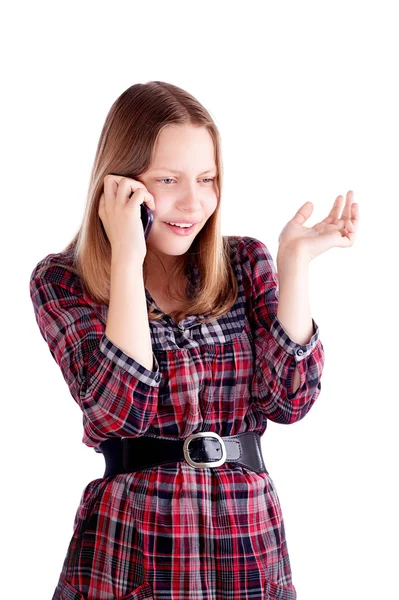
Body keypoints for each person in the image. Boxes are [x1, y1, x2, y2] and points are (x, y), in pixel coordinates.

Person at [29, 81, 359, 600]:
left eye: (207, 179)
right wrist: (127, 254)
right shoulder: (63, 280)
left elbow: (290, 401)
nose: (193, 201)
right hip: (133, 548)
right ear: (118, 182)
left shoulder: (245, 265)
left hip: (247, 542)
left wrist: (294, 263)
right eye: (167, 179)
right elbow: (120, 413)